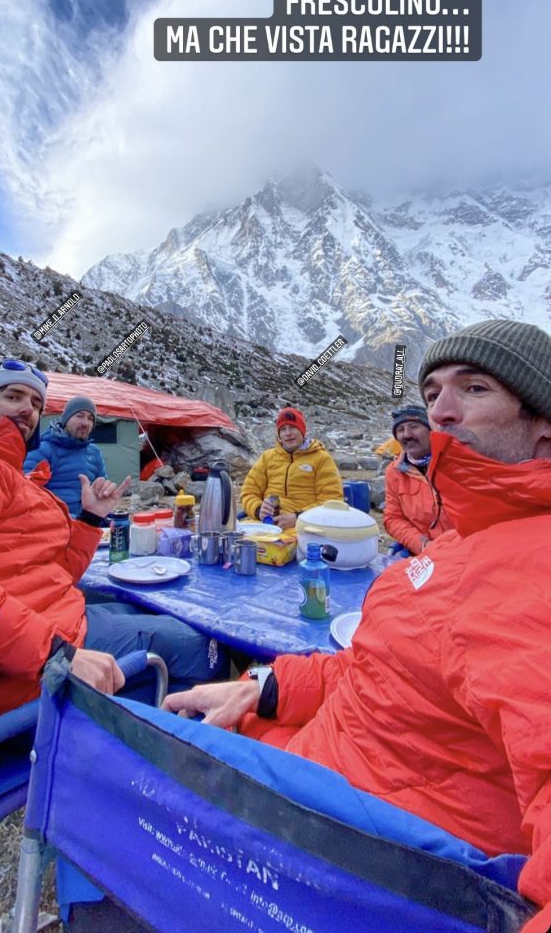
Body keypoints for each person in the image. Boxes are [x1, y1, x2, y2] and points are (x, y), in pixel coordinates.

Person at [164, 320, 551, 931]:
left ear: (543, 427)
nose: (440, 412)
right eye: (431, 394)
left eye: (475, 388)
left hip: (346, 855)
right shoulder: (468, 543)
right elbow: (383, 666)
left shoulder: (530, 572)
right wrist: (266, 686)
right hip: (324, 778)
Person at [0, 359, 227, 721]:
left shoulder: (10, 472)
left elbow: (53, 573)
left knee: (155, 612)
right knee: (204, 648)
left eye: (36, 403)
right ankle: (147, 745)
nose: (27, 409)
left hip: (52, 620)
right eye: (13, 396)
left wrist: (91, 518)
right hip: (27, 662)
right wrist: (54, 653)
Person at [240, 407, 343, 530]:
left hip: (304, 527)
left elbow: (332, 502)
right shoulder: (267, 457)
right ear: (279, 435)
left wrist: (298, 518)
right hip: (265, 525)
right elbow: (248, 492)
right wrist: (258, 510)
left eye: (292, 427)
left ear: (303, 430)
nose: (288, 433)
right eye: (283, 429)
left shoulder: (322, 459)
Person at [383, 403, 454, 554]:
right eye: (400, 430)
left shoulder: (457, 462)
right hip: (424, 552)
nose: (407, 435)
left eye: (414, 426)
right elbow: (393, 519)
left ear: (431, 430)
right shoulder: (395, 472)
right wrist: (422, 545)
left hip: (465, 549)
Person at [24, 395, 107, 516]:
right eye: (79, 416)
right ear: (66, 419)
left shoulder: (94, 452)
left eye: (90, 418)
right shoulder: (43, 449)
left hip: (88, 520)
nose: (85, 423)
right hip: (52, 521)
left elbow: (102, 490)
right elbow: (27, 495)